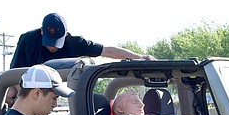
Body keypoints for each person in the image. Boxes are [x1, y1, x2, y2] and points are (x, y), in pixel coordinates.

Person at [10, 13, 154, 68]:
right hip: (29, 89)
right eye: (49, 42)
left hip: (59, 88)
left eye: (57, 42)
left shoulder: (76, 43)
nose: (53, 48)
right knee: (10, 93)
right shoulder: (27, 40)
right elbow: (13, 74)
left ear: (66, 34)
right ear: (42, 31)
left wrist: (139, 57)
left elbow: (107, 51)